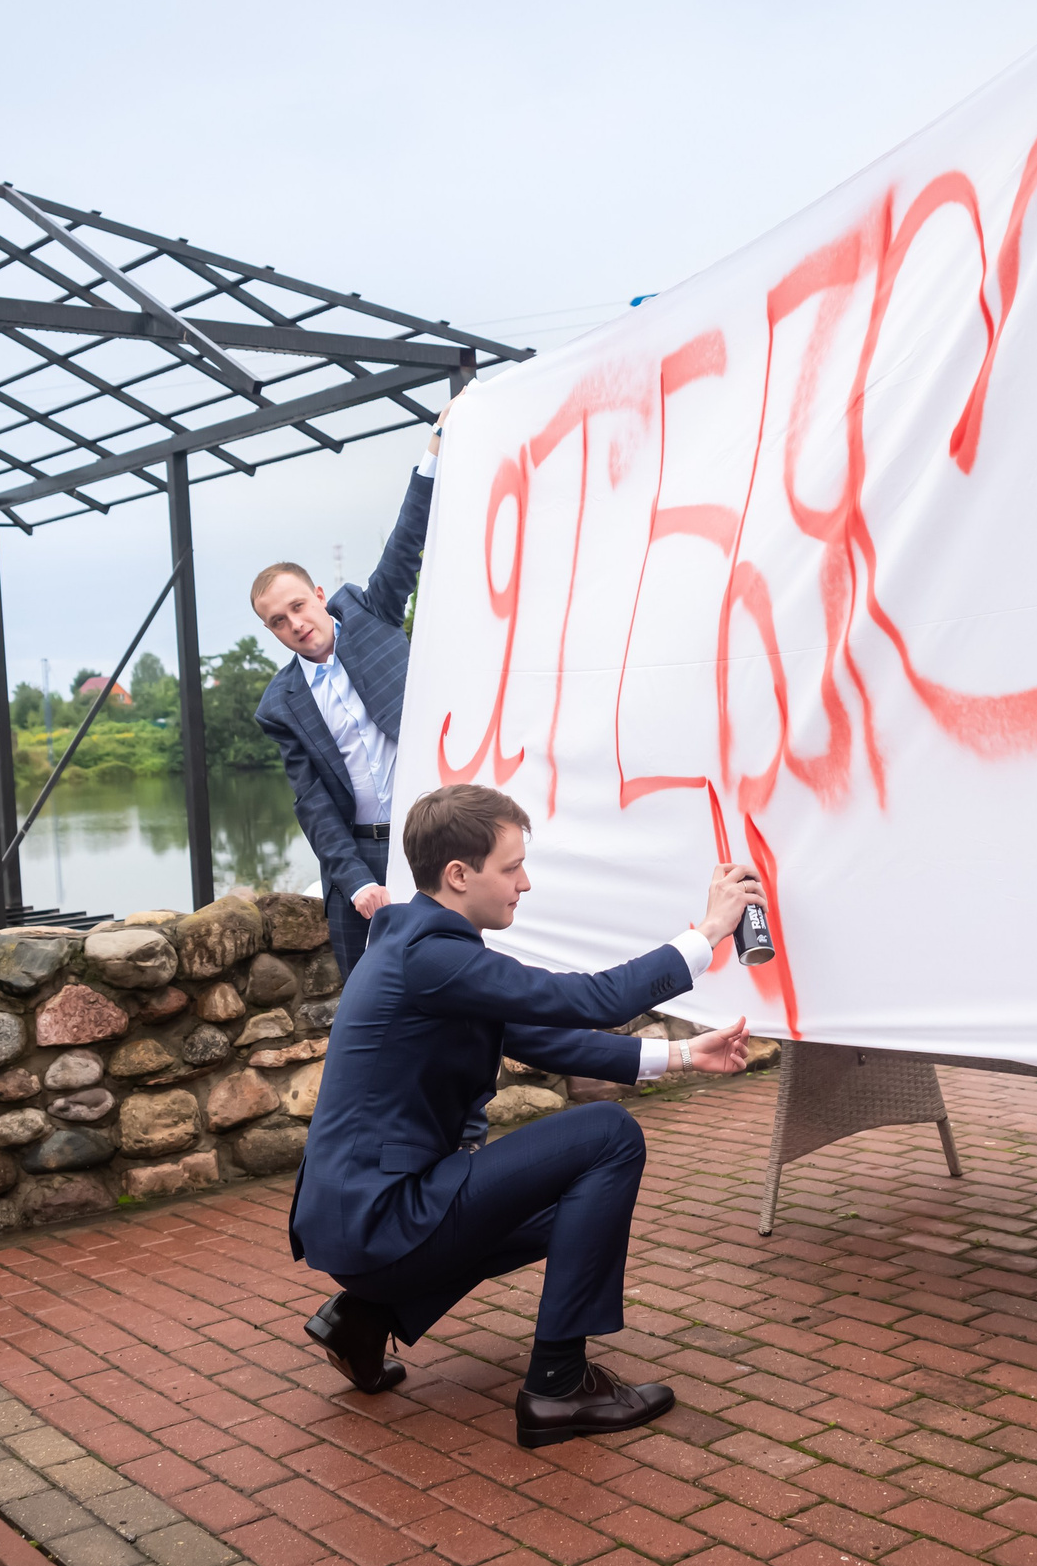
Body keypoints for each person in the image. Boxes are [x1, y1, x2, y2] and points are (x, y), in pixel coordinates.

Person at [290, 783, 765, 1448]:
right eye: (512, 867)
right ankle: (557, 1386)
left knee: (569, 1215)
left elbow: (547, 1040)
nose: (525, 882)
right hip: (383, 1223)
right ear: (459, 875)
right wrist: (710, 930)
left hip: (354, 1222)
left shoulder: (411, 942)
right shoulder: (433, 957)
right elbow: (595, 999)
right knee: (610, 1134)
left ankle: (364, 1320)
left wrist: (686, 1054)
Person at [254, 407, 453, 983]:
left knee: (454, 982)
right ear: (270, 630)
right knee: (371, 999)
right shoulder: (280, 705)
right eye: (278, 620)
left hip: (434, 835)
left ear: (319, 595)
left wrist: (435, 448)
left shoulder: (373, 611)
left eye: (298, 606)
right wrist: (356, 880)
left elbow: (407, 539)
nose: (295, 623)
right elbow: (313, 804)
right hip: (363, 861)